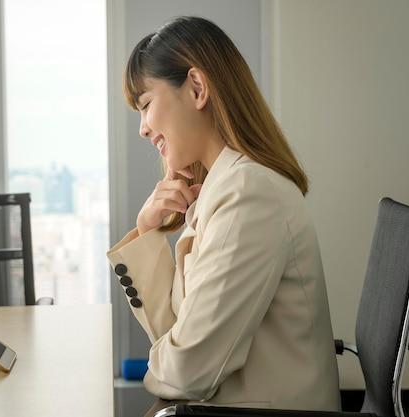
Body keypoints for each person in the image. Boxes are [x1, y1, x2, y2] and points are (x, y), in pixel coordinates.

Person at [107, 16, 340, 416]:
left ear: (197, 88)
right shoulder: (220, 188)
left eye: (145, 105)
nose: (143, 129)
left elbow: (188, 373)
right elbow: (176, 336)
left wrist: (155, 368)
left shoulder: (248, 194)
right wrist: (147, 232)